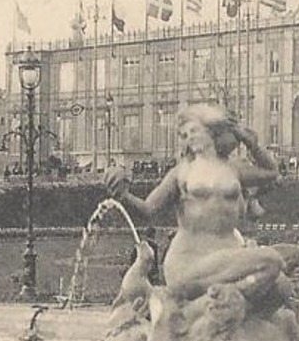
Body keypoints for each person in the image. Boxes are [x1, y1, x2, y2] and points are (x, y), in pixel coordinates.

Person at [105, 102, 279, 292]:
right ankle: (219, 298)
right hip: (189, 260)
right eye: (185, 135)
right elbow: (149, 209)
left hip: (228, 254)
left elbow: (270, 172)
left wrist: (250, 142)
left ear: (211, 131)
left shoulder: (233, 168)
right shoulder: (182, 172)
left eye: (194, 131)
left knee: (281, 287)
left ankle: (210, 302)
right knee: (272, 261)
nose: (189, 138)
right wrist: (123, 196)